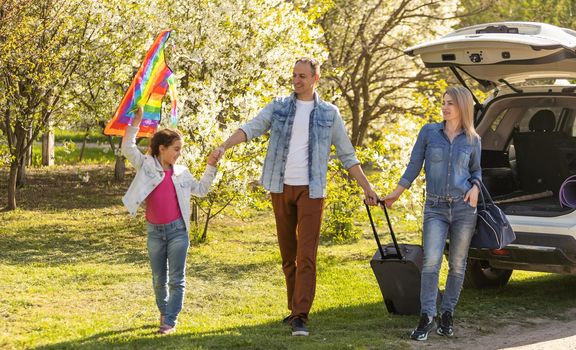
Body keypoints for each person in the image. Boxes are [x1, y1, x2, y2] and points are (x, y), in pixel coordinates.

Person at [213, 57, 379, 336]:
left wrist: (367, 187)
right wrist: (224, 146)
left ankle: (301, 315)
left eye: (303, 75)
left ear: (316, 78)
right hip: (280, 186)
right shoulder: (279, 107)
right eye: (294, 75)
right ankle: (293, 310)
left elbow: (347, 155)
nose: (297, 80)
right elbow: (252, 127)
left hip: (311, 191)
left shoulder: (330, 113)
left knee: (306, 255)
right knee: (288, 255)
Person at [383, 86, 481, 341]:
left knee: (458, 265)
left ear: (463, 107)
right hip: (435, 207)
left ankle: (447, 314)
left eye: (451, 103)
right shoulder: (429, 133)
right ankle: (427, 316)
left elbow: (477, 171)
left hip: (463, 208)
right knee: (430, 263)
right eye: (443, 102)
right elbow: (414, 165)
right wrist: (396, 193)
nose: (445, 107)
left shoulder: (472, 139)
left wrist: (477, 188)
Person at [122, 108, 219, 335]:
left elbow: (202, 190)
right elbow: (128, 147)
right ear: (161, 149)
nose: (179, 154)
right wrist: (136, 122)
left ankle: (169, 321)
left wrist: (211, 165)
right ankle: (164, 312)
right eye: (176, 149)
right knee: (158, 279)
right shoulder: (146, 166)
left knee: (176, 279)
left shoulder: (182, 173)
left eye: (181, 149)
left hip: (178, 232)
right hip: (155, 232)